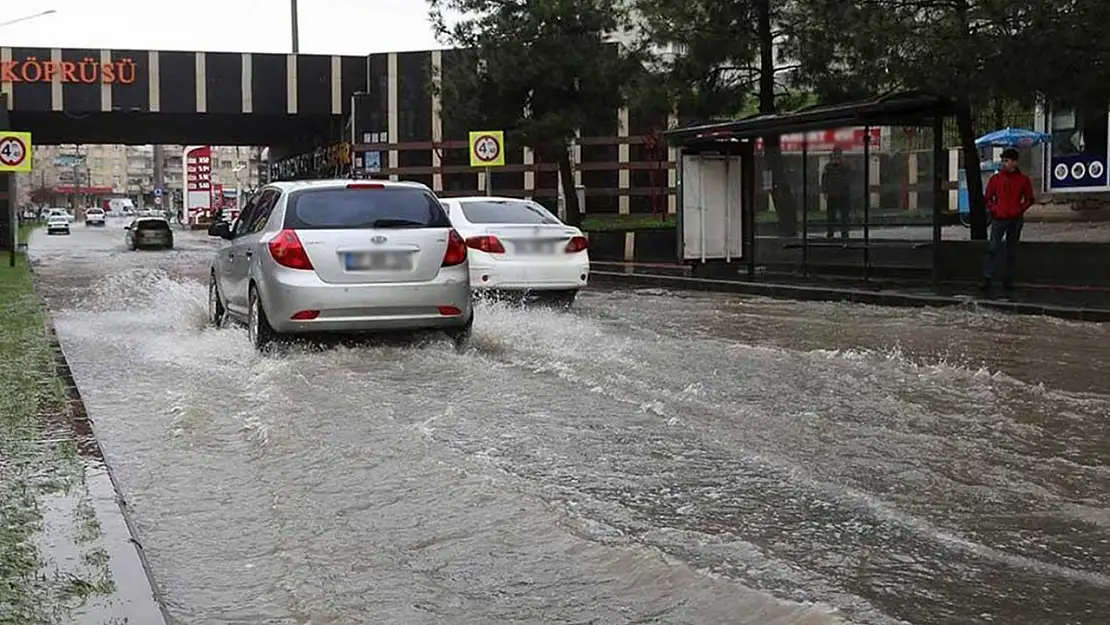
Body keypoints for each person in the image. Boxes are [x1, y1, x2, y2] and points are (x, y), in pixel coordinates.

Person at [981, 147, 1035, 293]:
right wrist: (995, 209)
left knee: (1011, 249)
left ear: (1015, 163)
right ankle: (987, 277)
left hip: (1015, 218)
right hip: (999, 218)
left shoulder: (1023, 180)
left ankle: (1008, 279)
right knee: (993, 247)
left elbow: (1029, 198)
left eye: (1007, 161)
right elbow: (987, 198)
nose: (1004, 163)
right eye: (1003, 160)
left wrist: (1019, 209)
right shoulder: (996, 179)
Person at [822, 147, 852, 238]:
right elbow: (824, 179)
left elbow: (850, 178)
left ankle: (844, 234)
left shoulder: (845, 166)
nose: (837, 156)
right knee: (831, 215)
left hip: (843, 194)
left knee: (844, 216)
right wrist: (825, 191)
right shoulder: (828, 166)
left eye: (839, 154)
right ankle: (830, 233)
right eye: (836, 154)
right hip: (832, 195)